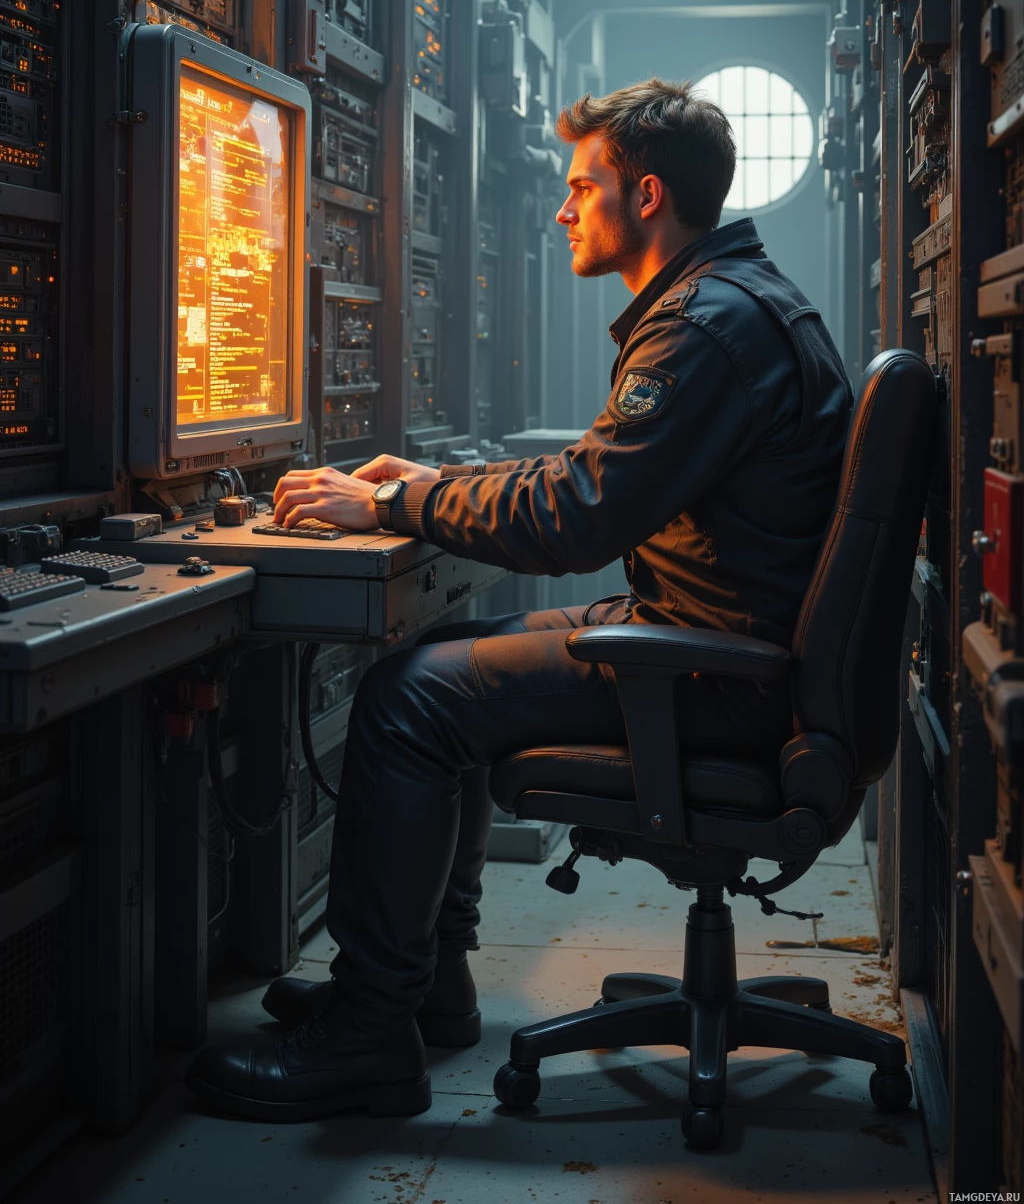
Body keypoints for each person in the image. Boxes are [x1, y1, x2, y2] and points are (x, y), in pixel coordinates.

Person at [186, 77, 853, 1121]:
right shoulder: (733, 301)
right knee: (436, 665)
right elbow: (593, 477)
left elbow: (578, 515)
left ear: (643, 197)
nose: (558, 207)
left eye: (578, 185)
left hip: (719, 673)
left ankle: (369, 1036)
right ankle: (426, 988)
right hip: (719, 642)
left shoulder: (704, 328)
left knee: (411, 700)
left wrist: (405, 501)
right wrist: (420, 488)